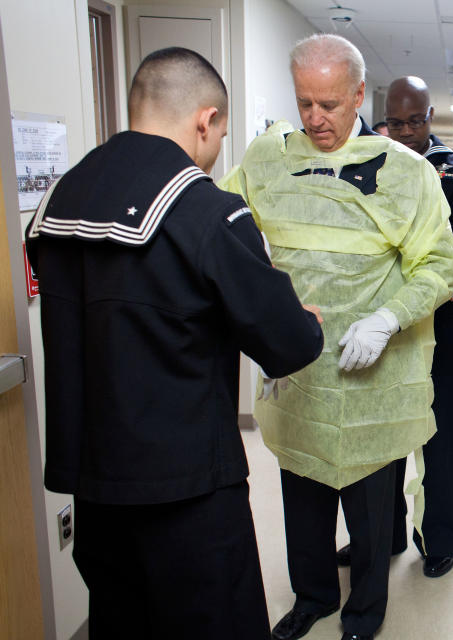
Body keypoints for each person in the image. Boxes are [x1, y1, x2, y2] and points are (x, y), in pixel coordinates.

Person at [25, 47, 325, 640]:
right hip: (186, 489)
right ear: (204, 120)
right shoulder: (206, 211)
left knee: (122, 621)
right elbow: (287, 344)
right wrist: (302, 317)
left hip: (95, 485)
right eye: (218, 137)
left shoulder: (59, 200)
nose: (214, 153)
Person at [220, 35, 453, 640]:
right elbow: (222, 228)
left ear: (358, 95)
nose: (315, 119)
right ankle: (314, 596)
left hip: (370, 371)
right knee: (301, 493)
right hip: (297, 367)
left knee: (371, 507)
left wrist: (387, 319)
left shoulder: (407, 174)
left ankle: (364, 613)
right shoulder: (267, 158)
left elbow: (439, 265)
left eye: (329, 103)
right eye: (304, 102)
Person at [333, 76, 453, 579]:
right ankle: (382, 534)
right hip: (384, 330)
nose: (403, 132)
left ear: (430, 116)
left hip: (439, 327)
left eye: (413, 121)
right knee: (382, 438)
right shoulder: (366, 164)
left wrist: (417, 282)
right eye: (394, 122)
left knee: (442, 439)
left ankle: (440, 538)